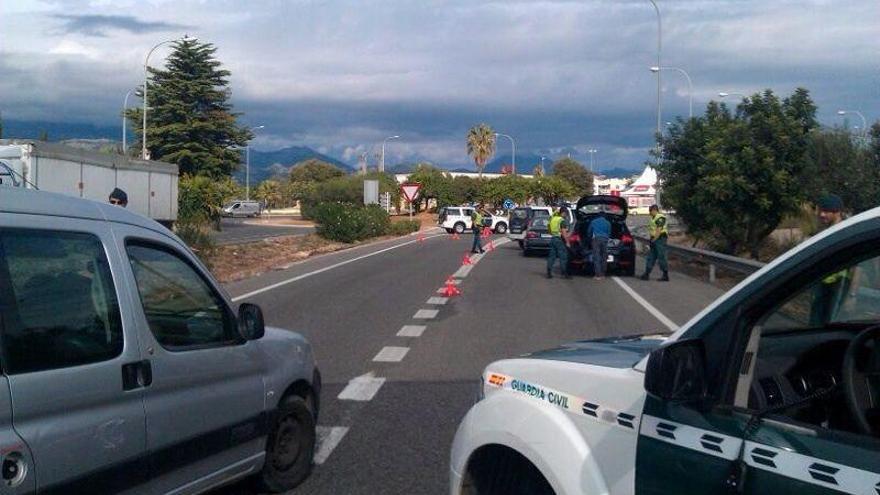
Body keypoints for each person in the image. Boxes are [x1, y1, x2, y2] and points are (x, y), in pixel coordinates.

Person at [640, 204, 669, 281]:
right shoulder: (652, 218)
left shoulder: (660, 218)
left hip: (660, 239)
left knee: (661, 256)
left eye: (650, 211)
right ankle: (646, 274)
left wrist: (654, 239)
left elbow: (659, 230)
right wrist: (652, 239)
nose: (649, 213)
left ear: (654, 210)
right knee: (651, 256)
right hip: (654, 239)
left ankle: (665, 275)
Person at [546, 206, 571, 279]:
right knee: (563, 257)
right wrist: (567, 242)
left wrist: (553, 234)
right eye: (566, 214)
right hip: (560, 240)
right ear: (563, 213)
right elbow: (563, 232)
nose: (566, 215)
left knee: (552, 256)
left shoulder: (553, 219)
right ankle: (565, 274)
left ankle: (549, 272)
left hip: (553, 239)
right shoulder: (562, 221)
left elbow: (548, 228)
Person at [588, 212, 611, 280]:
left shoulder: (593, 222)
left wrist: (589, 239)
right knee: (604, 256)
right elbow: (609, 232)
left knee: (597, 256)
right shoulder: (608, 223)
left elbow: (589, 231)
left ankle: (598, 275)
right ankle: (603, 274)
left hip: (596, 239)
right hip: (605, 239)